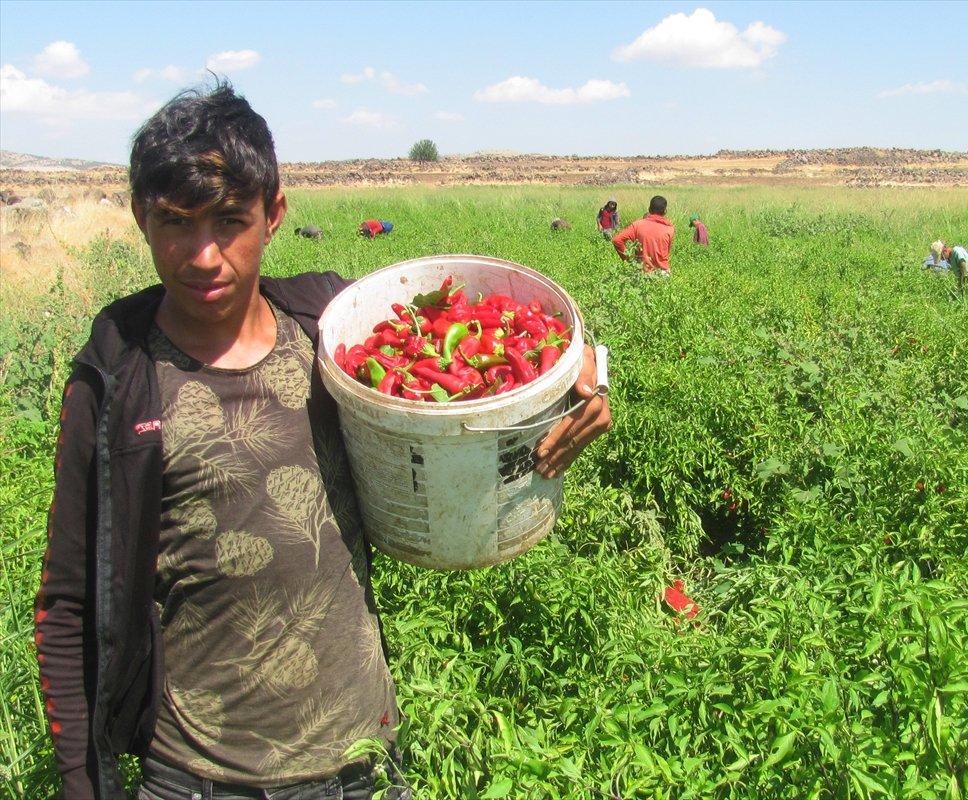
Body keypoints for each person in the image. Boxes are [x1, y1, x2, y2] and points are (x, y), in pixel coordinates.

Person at [34, 81, 611, 800]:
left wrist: (584, 383)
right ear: (141, 219)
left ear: (274, 214)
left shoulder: (328, 331)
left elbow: (495, 377)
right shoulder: (119, 379)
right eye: (175, 222)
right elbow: (68, 601)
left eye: (229, 220)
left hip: (362, 761)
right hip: (200, 778)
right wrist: (80, 784)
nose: (203, 254)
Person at [612, 196, 674, 277]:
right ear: (665, 211)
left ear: (649, 209)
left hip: (642, 273)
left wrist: (628, 259)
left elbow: (617, 240)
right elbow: (665, 252)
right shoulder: (669, 229)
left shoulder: (637, 225)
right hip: (663, 274)